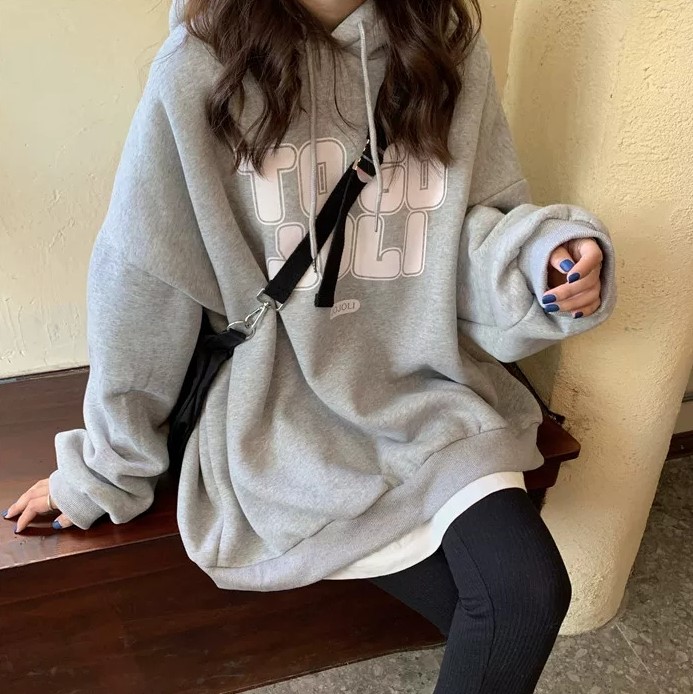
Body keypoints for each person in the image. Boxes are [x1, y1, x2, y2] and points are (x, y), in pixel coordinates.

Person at [3, 0, 617, 691]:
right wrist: (104, 469)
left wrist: (539, 261)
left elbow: (468, 228)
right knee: (502, 611)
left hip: (423, 388)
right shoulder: (200, 69)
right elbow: (146, 285)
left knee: (525, 594)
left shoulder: (445, 47)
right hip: (278, 406)